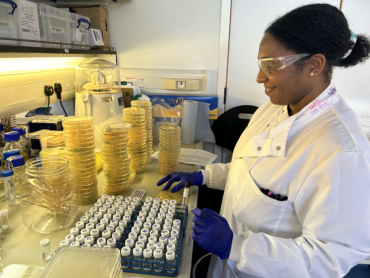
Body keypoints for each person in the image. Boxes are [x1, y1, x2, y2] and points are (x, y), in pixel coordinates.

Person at [157, 4, 370, 278]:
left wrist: (236, 246)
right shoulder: (275, 107)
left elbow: (329, 259)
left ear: (314, 65)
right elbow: (254, 176)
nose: (260, 77)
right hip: (227, 268)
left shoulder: (343, 151)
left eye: (271, 66)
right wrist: (205, 176)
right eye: (261, 64)